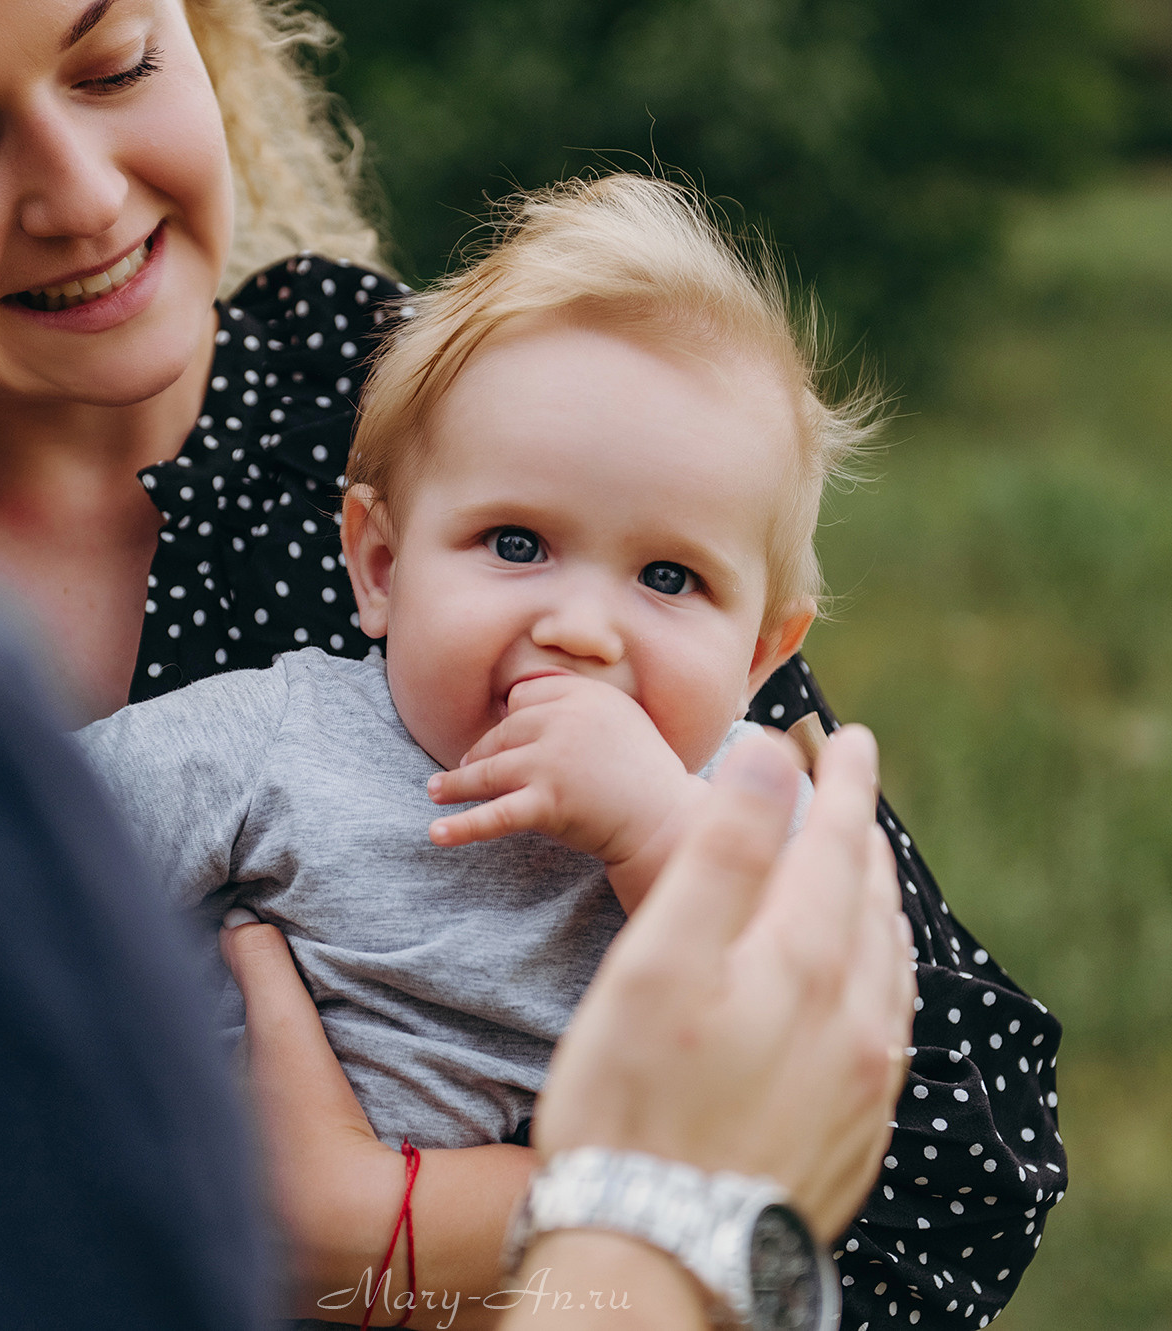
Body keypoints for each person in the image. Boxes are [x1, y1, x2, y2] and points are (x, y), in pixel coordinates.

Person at [0, 0, 1066, 1322]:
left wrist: (384, 1221)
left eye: (116, 65)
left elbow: (945, 1158)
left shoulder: (490, 423)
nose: (84, 194)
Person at [79, 173, 852, 1162]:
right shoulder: (284, 736)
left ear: (757, 656)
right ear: (382, 567)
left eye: (667, 575)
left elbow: (806, 1058)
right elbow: (9, 835)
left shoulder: (750, 811)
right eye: (516, 544)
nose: (579, 628)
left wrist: (658, 829)